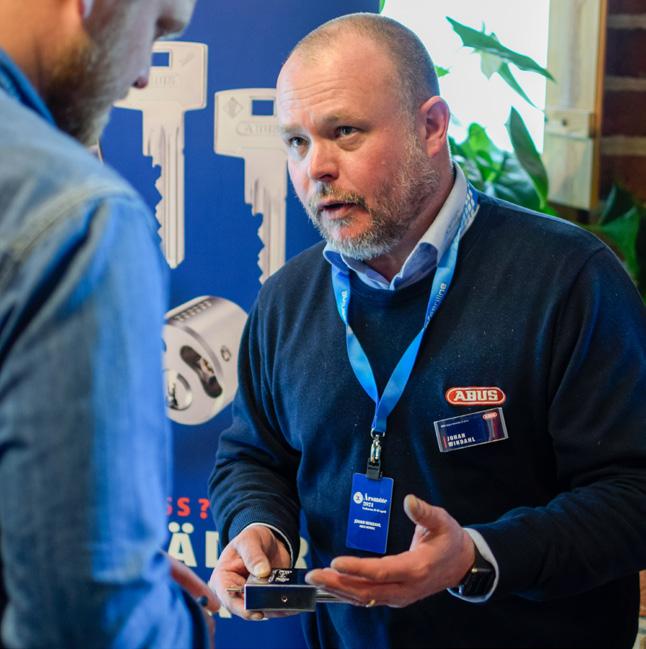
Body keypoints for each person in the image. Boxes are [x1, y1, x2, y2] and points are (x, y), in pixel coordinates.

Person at [208, 12, 646, 649]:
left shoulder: (568, 278)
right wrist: (258, 527)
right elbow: (254, 455)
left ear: (432, 127)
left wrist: (476, 557)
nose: (316, 167)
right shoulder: (287, 299)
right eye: (297, 142)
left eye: (345, 132)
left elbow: (633, 493)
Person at [0, 1, 219, 647]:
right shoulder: (77, 215)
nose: (144, 73)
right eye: (157, 28)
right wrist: (173, 620)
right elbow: (95, 626)